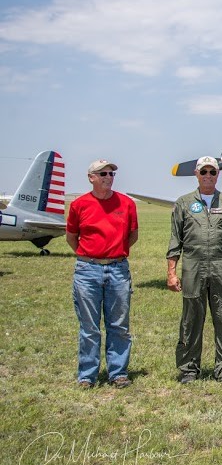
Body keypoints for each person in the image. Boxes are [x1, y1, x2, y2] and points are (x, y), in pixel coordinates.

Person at [166, 156, 222, 383]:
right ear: (196, 174)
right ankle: (189, 369)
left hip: (221, 264)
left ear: (217, 174)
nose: (208, 176)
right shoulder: (183, 203)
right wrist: (171, 272)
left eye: (212, 172)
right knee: (191, 318)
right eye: (204, 172)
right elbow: (175, 240)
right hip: (193, 264)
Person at [65, 159, 139, 389]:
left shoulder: (126, 204)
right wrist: (91, 257)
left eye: (111, 174)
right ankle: (87, 376)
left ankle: (118, 372)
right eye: (103, 173)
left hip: (118, 268)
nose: (109, 177)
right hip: (87, 270)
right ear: (91, 177)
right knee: (89, 326)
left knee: (119, 325)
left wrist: (112, 255)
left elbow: (132, 236)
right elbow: (71, 237)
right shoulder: (79, 205)